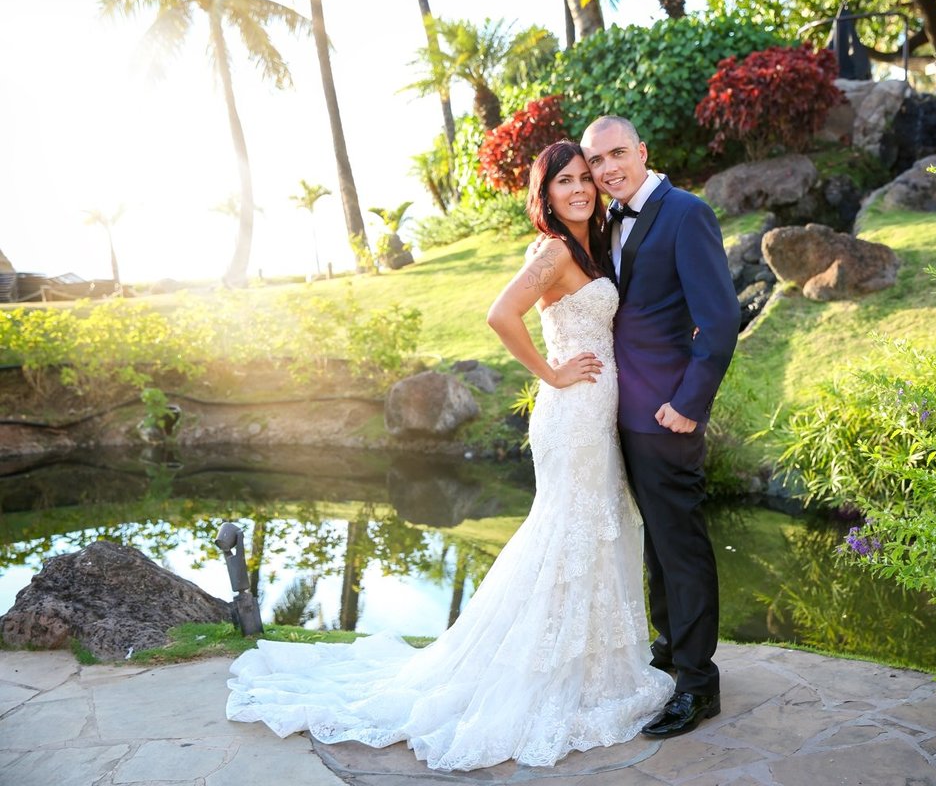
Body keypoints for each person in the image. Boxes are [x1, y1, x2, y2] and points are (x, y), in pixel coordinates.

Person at [225, 140, 674, 770]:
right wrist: (550, 372)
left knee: (593, 533)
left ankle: (595, 671)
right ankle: (544, 678)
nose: (578, 189)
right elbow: (500, 314)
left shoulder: (587, 247)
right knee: (569, 533)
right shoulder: (551, 251)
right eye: (563, 182)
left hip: (595, 412)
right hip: (572, 412)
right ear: (543, 195)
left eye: (583, 179)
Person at [580, 116, 741, 739]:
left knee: (682, 544)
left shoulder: (685, 213)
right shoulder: (609, 222)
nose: (607, 168)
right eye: (596, 161)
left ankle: (700, 685)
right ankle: (670, 654)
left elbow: (720, 321)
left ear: (642, 151)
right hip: (622, 410)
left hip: (667, 414)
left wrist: (689, 403)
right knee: (657, 544)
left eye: (617, 153)